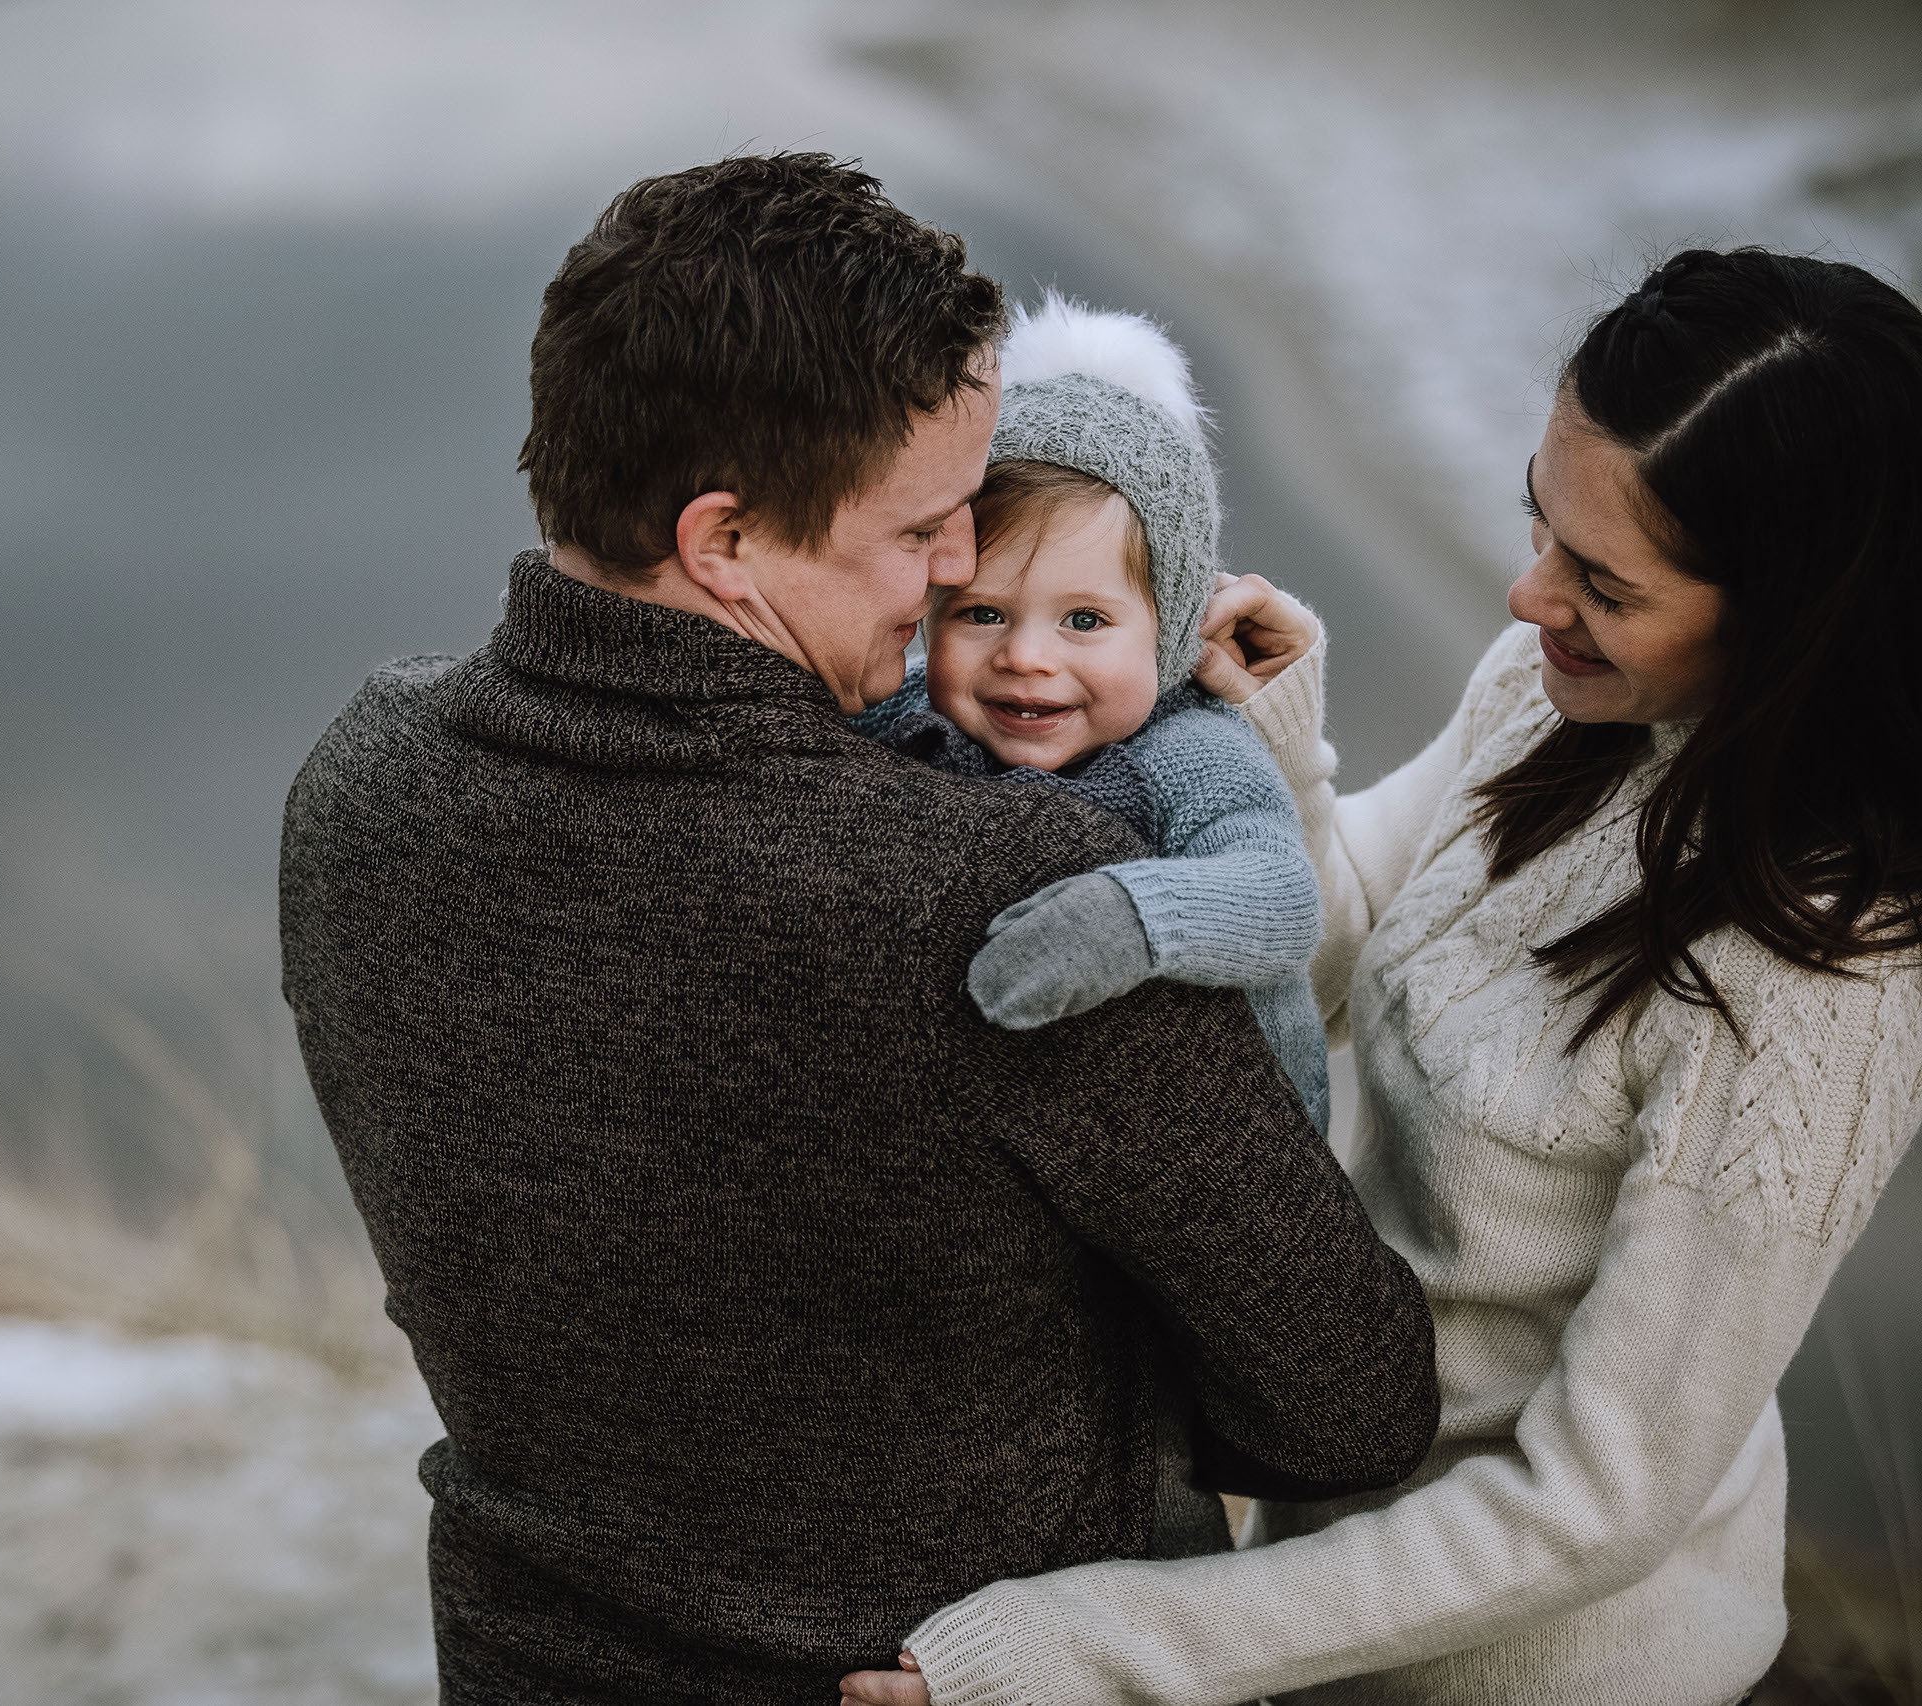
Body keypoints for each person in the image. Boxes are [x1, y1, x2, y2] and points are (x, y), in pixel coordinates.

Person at [278, 153, 1439, 1706]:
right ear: (725, 542)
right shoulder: (1012, 895)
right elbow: (1345, 1405)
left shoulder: (364, 778)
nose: (966, 569)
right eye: (924, 531)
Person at [843, 247, 1922, 1706]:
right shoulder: (1558, 693)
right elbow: (1331, 967)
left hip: (1540, 1668)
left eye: (1603, 579)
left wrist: (1093, 1642)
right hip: (1322, 1536)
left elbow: (1594, 1508)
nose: (1527, 590)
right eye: (1538, 521)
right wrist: (1273, 740)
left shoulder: (1818, 986)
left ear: (1794, 619)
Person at [853, 291, 1329, 1132]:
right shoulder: (918, 705)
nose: (1027, 657)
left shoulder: (1188, 751)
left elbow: (1283, 898)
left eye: (1085, 621)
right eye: (982, 613)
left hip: (1228, 1144)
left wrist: (1128, 919)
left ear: (1172, 631)